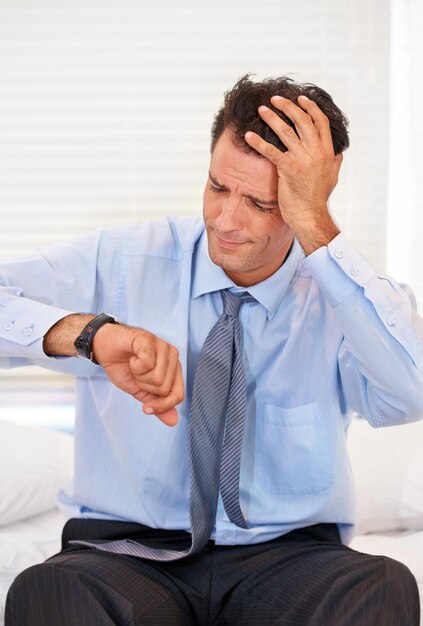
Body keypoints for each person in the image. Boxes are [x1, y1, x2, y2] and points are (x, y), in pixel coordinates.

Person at [2, 74, 422, 625]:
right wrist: (89, 335)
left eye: (261, 203)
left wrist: (317, 226)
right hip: (126, 554)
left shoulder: (346, 299)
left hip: (290, 557)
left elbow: (410, 394)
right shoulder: (125, 259)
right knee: (47, 591)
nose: (226, 222)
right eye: (218, 187)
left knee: (384, 584)